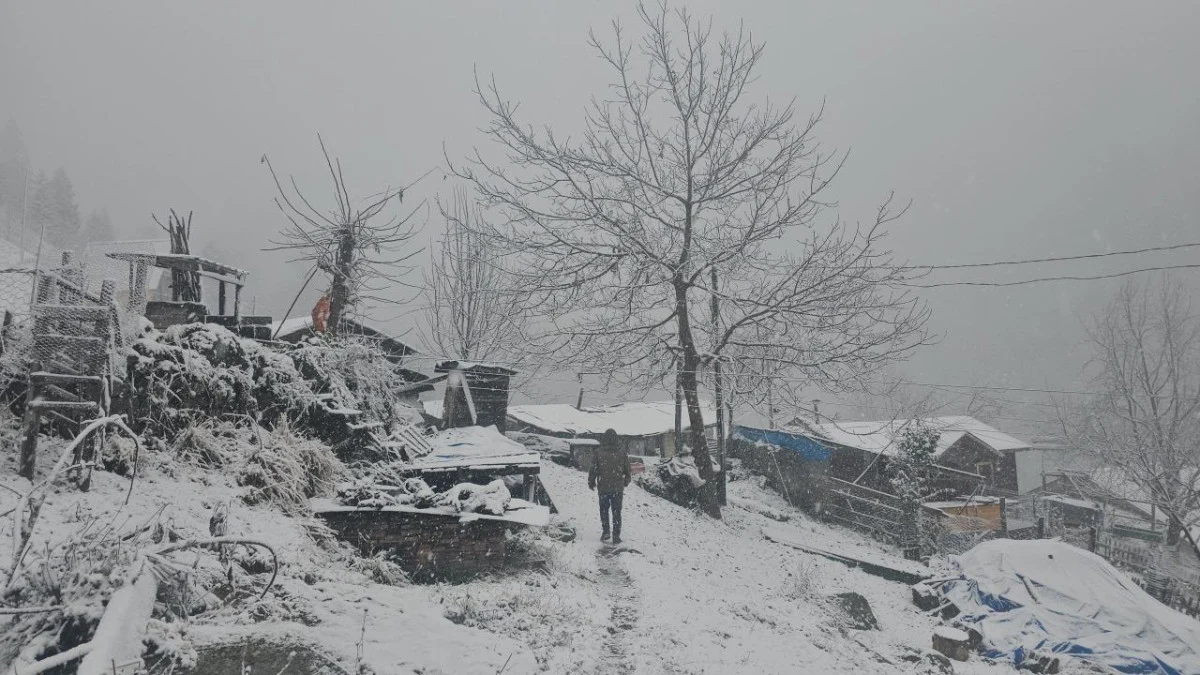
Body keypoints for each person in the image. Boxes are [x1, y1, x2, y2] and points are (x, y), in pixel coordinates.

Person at [588, 428, 632, 544]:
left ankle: (606, 531)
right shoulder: (622, 452)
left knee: (604, 510)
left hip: (603, 487)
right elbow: (628, 469)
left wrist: (591, 482)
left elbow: (593, 469)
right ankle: (616, 535)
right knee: (617, 511)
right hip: (617, 487)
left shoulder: (598, 452)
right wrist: (626, 481)